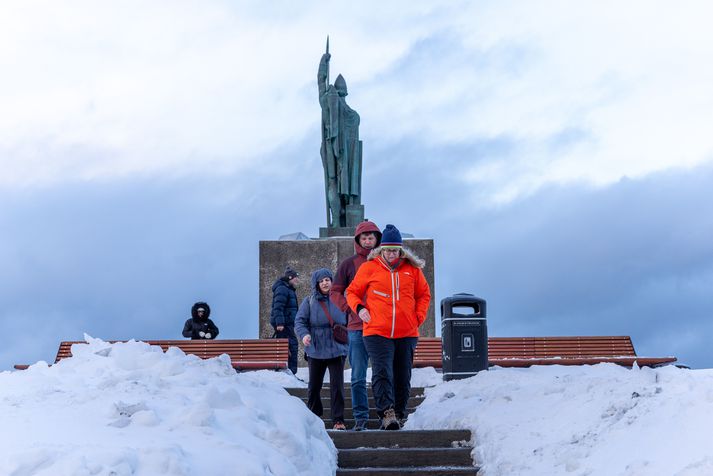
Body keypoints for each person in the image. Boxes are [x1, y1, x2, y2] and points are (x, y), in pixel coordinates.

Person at [346, 224, 431, 430]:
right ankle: (387, 414)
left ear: (400, 251)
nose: (391, 254)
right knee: (382, 372)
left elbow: (424, 295)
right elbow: (352, 292)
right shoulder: (369, 268)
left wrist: (417, 317)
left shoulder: (412, 270)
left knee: (402, 374)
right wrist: (360, 309)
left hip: (407, 332)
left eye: (395, 250)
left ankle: (399, 413)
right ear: (380, 250)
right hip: (376, 331)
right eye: (387, 249)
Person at [330, 220, 381, 431]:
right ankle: (361, 417)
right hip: (357, 327)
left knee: (381, 374)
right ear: (358, 240)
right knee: (358, 375)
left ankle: (385, 416)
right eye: (364, 238)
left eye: (372, 237)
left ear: (377, 239)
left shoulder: (385, 262)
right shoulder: (349, 264)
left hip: (381, 327)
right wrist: (348, 308)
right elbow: (335, 291)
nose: (368, 241)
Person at [295, 268, 349, 430]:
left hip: (337, 347)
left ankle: (338, 420)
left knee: (337, 386)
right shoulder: (309, 301)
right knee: (314, 386)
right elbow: (300, 321)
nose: (325, 283)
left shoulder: (341, 299)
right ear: (316, 284)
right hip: (315, 348)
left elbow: (350, 318)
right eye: (321, 280)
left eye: (328, 279)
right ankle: (314, 415)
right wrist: (304, 335)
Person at [318, 49, 362, 228]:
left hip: (331, 149)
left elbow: (320, 82)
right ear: (346, 93)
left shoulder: (327, 101)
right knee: (345, 188)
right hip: (349, 158)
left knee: (332, 182)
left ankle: (336, 220)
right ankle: (338, 219)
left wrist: (323, 64)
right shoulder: (354, 115)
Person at [270, 266, 300, 375]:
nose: (297, 280)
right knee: (291, 346)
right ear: (290, 277)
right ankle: (289, 374)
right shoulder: (282, 289)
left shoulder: (287, 289)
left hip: (287, 324)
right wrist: (280, 323)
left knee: (290, 346)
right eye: (296, 277)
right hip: (283, 325)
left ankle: (290, 374)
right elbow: (278, 307)